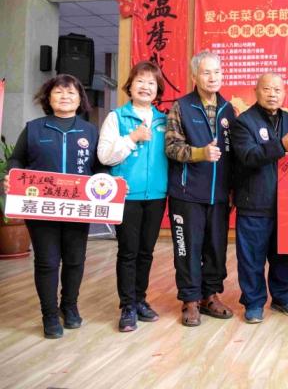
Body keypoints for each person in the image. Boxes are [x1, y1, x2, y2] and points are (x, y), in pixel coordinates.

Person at [4, 74, 108, 338]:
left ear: (80, 100)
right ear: (48, 98)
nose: (65, 96)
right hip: (42, 207)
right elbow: (16, 159)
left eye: (71, 92)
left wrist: (111, 184)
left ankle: (69, 306)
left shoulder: (90, 131)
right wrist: (12, 176)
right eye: (59, 91)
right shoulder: (34, 128)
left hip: (78, 208)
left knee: (75, 259)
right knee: (47, 261)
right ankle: (49, 314)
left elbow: (100, 168)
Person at [165, 50, 236, 327]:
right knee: (187, 248)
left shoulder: (228, 109)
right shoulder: (181, 106)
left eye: (217, 72)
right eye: (206, 72)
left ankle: (210, 295)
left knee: (216, 248)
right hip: (187, 193)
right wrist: (199, 154)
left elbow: (233, 155)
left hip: (219, 194)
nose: (213, 77)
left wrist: (232, 189)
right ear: (194, 76)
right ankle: (190, 300)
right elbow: (172, 147)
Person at [97, 61, 168, 332]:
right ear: (130, 86)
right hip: (126, 196)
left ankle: (140, 299)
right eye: (140, 81)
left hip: (157, 195)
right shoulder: (116, 117)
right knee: (128, 251)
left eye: (151, 82)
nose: (145, 87)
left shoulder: (165, 120)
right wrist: (132, 138)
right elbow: (104, 155)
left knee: (146, 252)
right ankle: (127, 305)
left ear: (158, 89)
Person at [231, 72, 288, 324]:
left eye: (277, 90)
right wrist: (281, 146)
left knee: (286, 257)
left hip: (287, 205)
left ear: (284, 94)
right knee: (252, 259)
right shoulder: (243, 122)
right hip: (254, 203)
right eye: (267, 89)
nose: (272, 94)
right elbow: (248, 156)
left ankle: (283, 298)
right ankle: (253, 303)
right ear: (256, 91)